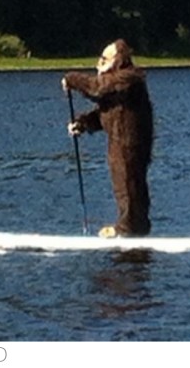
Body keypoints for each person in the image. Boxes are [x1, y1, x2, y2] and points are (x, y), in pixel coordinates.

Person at [62, 39, 153, 238]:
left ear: (117, 60)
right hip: (121, 139)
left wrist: (72, 79)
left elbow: (97, 88)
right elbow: (107, 113)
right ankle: (136, 227)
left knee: (127, 182)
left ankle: (127, 228)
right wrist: (83, 123)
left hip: (131, 142)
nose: (99, 63)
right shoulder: (118, 84)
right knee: (127, 182)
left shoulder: (128, 78)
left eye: (104, 59)